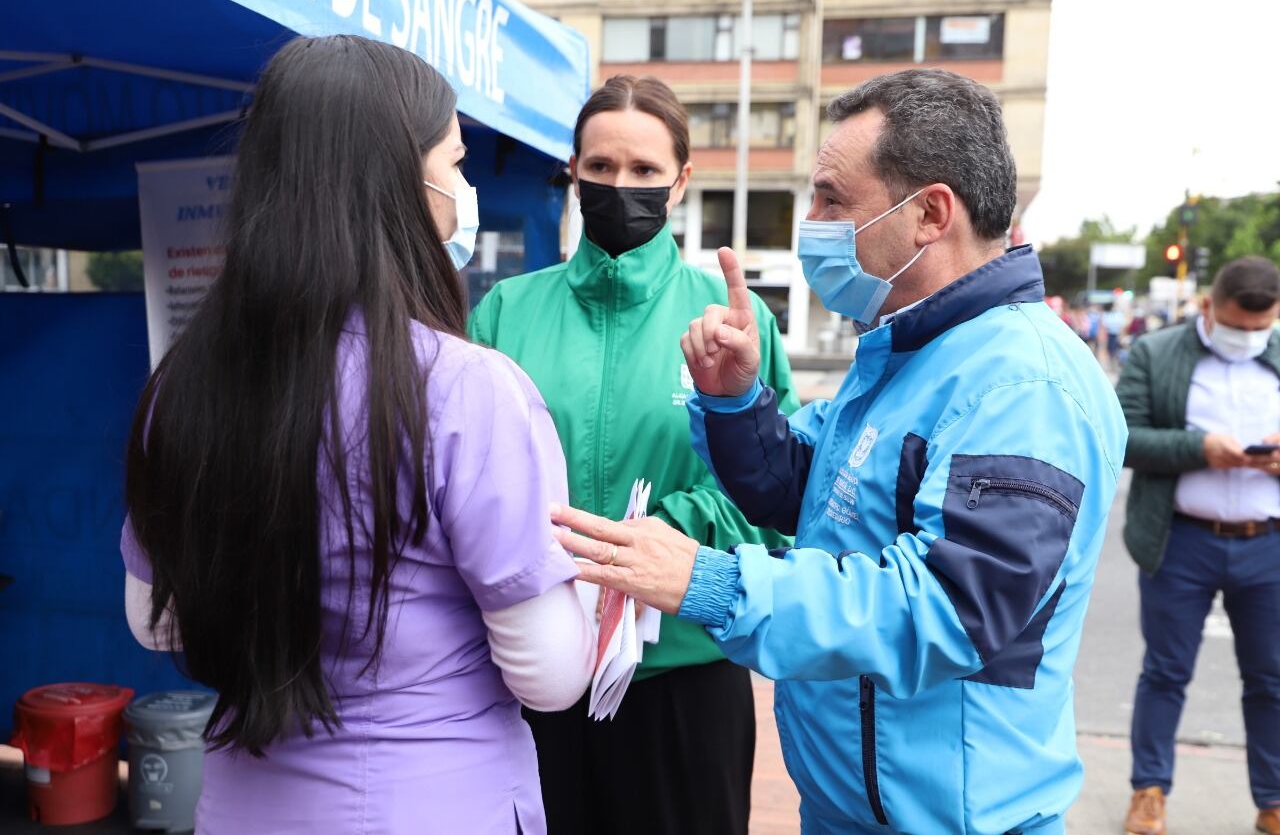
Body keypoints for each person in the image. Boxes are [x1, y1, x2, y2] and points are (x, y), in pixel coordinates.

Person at [553, 68, 1128, 834]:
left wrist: (713, 582)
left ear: (930, 213)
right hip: (853, 806)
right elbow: (807, 485)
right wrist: (734, 403)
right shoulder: (905, 352)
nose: (812, 222)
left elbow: (949, 609)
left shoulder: (1024, 385)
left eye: (831, 199)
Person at [119, 36, 593, 835]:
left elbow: (155, 620)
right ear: (399, 184)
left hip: (245, 807)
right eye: (455, 162)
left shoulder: (181, 384)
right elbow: (550, 675)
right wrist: (593, 594)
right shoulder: (467, 389)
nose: (464, 190)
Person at [468, 74, 798, 835]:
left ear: (681, 181)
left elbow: (778, 493)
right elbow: (466, 478)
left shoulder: (733, 320)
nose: (621, 186)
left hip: (684, 673)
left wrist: (662, 536)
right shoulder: (506, 312)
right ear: (573, 172)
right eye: (601, 166)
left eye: (645, 169)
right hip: (531, 670)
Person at [1116, 256, 1280, 835]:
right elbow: (1123, 436)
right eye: (1237, 326)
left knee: (1272, 678)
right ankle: (1149, 790)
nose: (1248, 337)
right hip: (1180, 540)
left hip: (1268, 545)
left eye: (1261, 329)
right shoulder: (1156, 352)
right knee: (1165, 672)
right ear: (1209, 306)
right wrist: (1199, 449)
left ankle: (1273, 800)